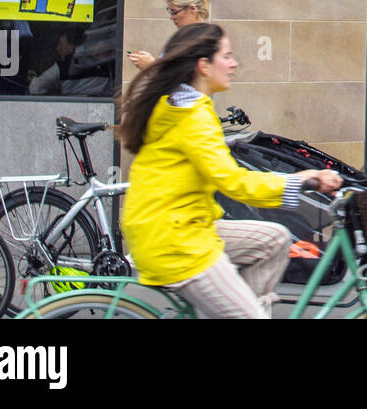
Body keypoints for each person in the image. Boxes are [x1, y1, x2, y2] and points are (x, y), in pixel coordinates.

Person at [117, 22, 342, 318]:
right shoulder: (193, 116)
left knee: (274, 239)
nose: (234, 63)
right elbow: (234, 183)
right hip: (176, 240)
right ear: (204, 66)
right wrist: (301, 181)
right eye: (227, 56)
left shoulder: (181, 105)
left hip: (177, 226)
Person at [127, 0, 217, 71]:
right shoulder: (181, 39)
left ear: (192, 9)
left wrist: (151, 67)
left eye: (174, 11)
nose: (171, 17)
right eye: (170, 11)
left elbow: (182, 82)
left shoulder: (205, 42)